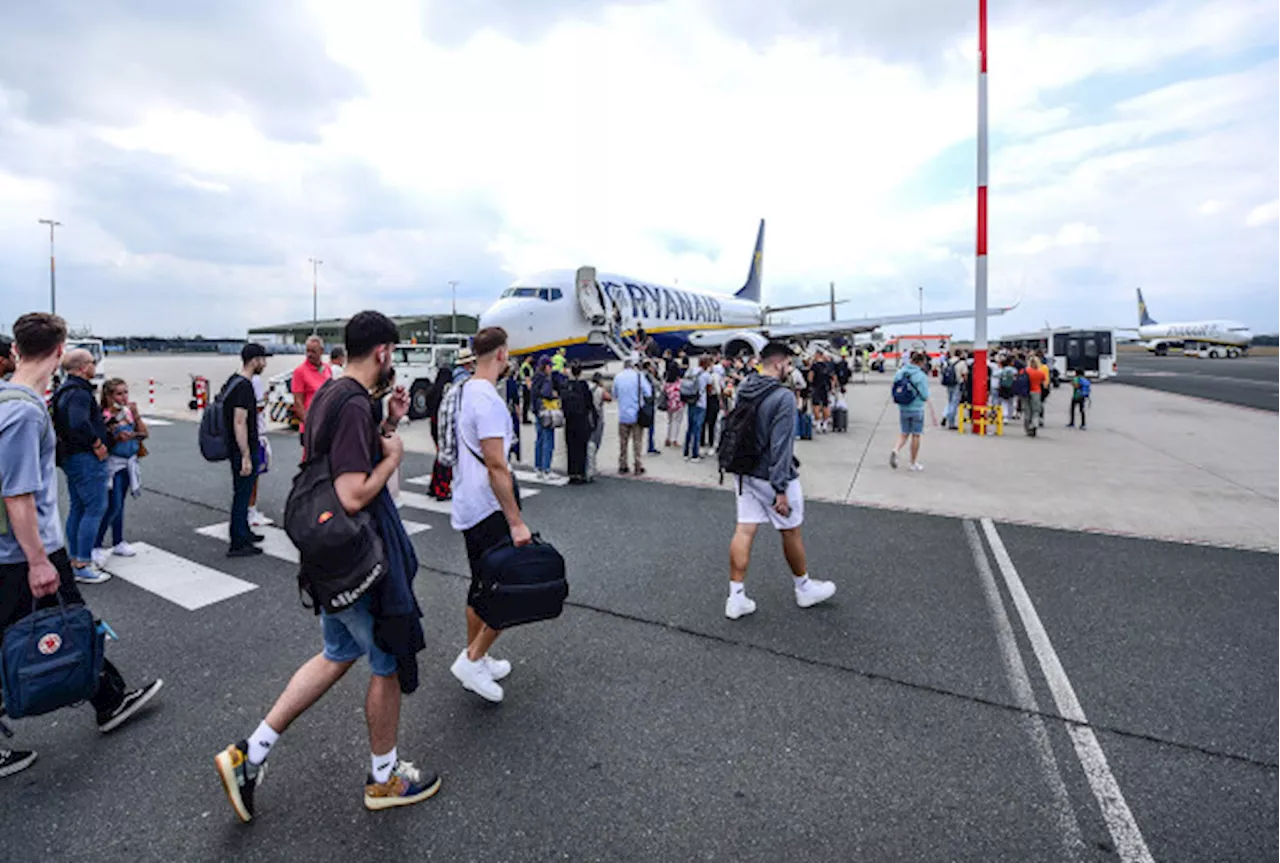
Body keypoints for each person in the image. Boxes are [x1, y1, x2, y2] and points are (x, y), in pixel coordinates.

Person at [215, 310, 438, 822]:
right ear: (382, 351)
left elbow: (338, 457)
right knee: (385, 661)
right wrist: (394, 455)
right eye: (392, 354)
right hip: (355, 556)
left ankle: (251, 752)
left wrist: (389, 423)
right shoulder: (355, 404)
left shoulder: (331, 396)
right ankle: (384, 778)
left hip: (324, 553)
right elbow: (352, 492)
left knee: (336, 653)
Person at [1, 312, 163, 780]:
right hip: (26, 551)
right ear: (58, 352)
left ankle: (109, 697)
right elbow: (18, 495)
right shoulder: (24, 411)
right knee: (64, 622)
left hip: (23, 549)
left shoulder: (11, 400)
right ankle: (109, 699)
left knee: (72, 620)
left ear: (15, 351)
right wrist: (37, 560)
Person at [448, 327, 531, 703]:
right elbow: (497, 465)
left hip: (469, 501)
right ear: (501, 354)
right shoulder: (489, 401)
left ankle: (476, 659)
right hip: (488, 507)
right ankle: (473, 658)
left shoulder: (466, 390)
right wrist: (515, 520)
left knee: (480, 584)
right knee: (508, 588)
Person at [724, 341, 836, 620]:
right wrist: (780, 489)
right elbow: (781, 446)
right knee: (791, 530)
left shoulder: (745, 387)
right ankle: (804, 588)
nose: (791, 368)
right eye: (788, 363)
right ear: (778, 364)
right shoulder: (783, 396)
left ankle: (736, 596)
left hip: (744, 471)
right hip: (770, 474)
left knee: (745, 529)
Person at [50, 348, 111, 583]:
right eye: (92, 362)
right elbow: (78, 422)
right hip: (85, 457)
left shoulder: (64, 389)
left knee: (78, 506)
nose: (95, 366)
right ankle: (83, 562)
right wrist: (96, 442)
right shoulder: (79, 393)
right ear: (83, 367)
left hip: (70, 456)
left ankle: (75, 558)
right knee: (95, 507)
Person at [93, 378, 148, 561]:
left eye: (125, 392)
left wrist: (136, 415)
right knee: (112, 505)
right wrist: (115, 435)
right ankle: (96, 544)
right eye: (119, 393)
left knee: (120, 505)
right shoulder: (104, 416)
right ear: (108, 396)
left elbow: (144, 434)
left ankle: (118, 541)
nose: (124, 397)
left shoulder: (128, 413)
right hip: (113, 464)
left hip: (129, 461)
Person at [224, 344, 268, 557]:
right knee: (242, 494)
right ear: (253, 360)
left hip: (237, 447)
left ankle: (244, 531)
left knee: (242, 490)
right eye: (262, 359)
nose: (264, 364)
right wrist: (245, 454)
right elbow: (239, 421)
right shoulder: (244, 386)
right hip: (242, 447)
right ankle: (238, 541)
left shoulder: (233, 381)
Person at [890, 351, 930, 472]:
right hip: (917, 407)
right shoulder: (921, 376)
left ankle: (896, 449)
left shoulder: (900, 372)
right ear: (921, 362)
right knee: (916, 435)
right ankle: (913, 462)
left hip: (903, 407)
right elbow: (924, 394)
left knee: (904, 433)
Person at [612, 356, 652, 475]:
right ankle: (637, 466)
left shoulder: (618, 377)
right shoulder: (639, 376)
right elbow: (648, 392)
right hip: (636, 414)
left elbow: (614, 394)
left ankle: (623, 465)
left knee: (623, 442)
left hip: (623, 414)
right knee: (637, 442)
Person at [290, 335, 332, 435]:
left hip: (326, 424)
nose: (309, 354)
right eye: (307, 351)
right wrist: (309, 425)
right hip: (310, 427)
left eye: (313, 351)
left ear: (321, 351)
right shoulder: (300, 371)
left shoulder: (327, 369)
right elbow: (298, 402)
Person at [561, 362, 594, 485]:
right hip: (582, 419)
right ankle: (580, 472)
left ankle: (572, 473)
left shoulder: (566, 385)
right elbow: (589, 403)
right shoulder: (584, 386)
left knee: (570, 447)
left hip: (570, 420)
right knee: (581, 447)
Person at [529, 355, 558, 479]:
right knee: (548, 439)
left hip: (537, 411)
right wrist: (554, 395)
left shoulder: (535, 378)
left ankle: (538, 467)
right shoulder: (546, 379)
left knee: (539, 439)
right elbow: (546, 393)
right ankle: (547, 469)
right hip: (546, 411)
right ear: (546, 366)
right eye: (550, 366)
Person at [683, 356, 713, 462]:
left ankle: (686, 452)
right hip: (700, 403)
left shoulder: (691, 371)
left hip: (690, 400)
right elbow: (709, 390)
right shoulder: (706, 375)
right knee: (697, 428)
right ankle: (695, 454)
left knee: (690, 427)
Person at [587, 372, 611, 480]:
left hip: (587, 417)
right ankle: (591, 466)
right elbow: (608, 398)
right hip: (597, 418)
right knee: (595, 442)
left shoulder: (588, 388)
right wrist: (603, 388)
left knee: (588, 441)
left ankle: (588, 464)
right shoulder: (599, 390)